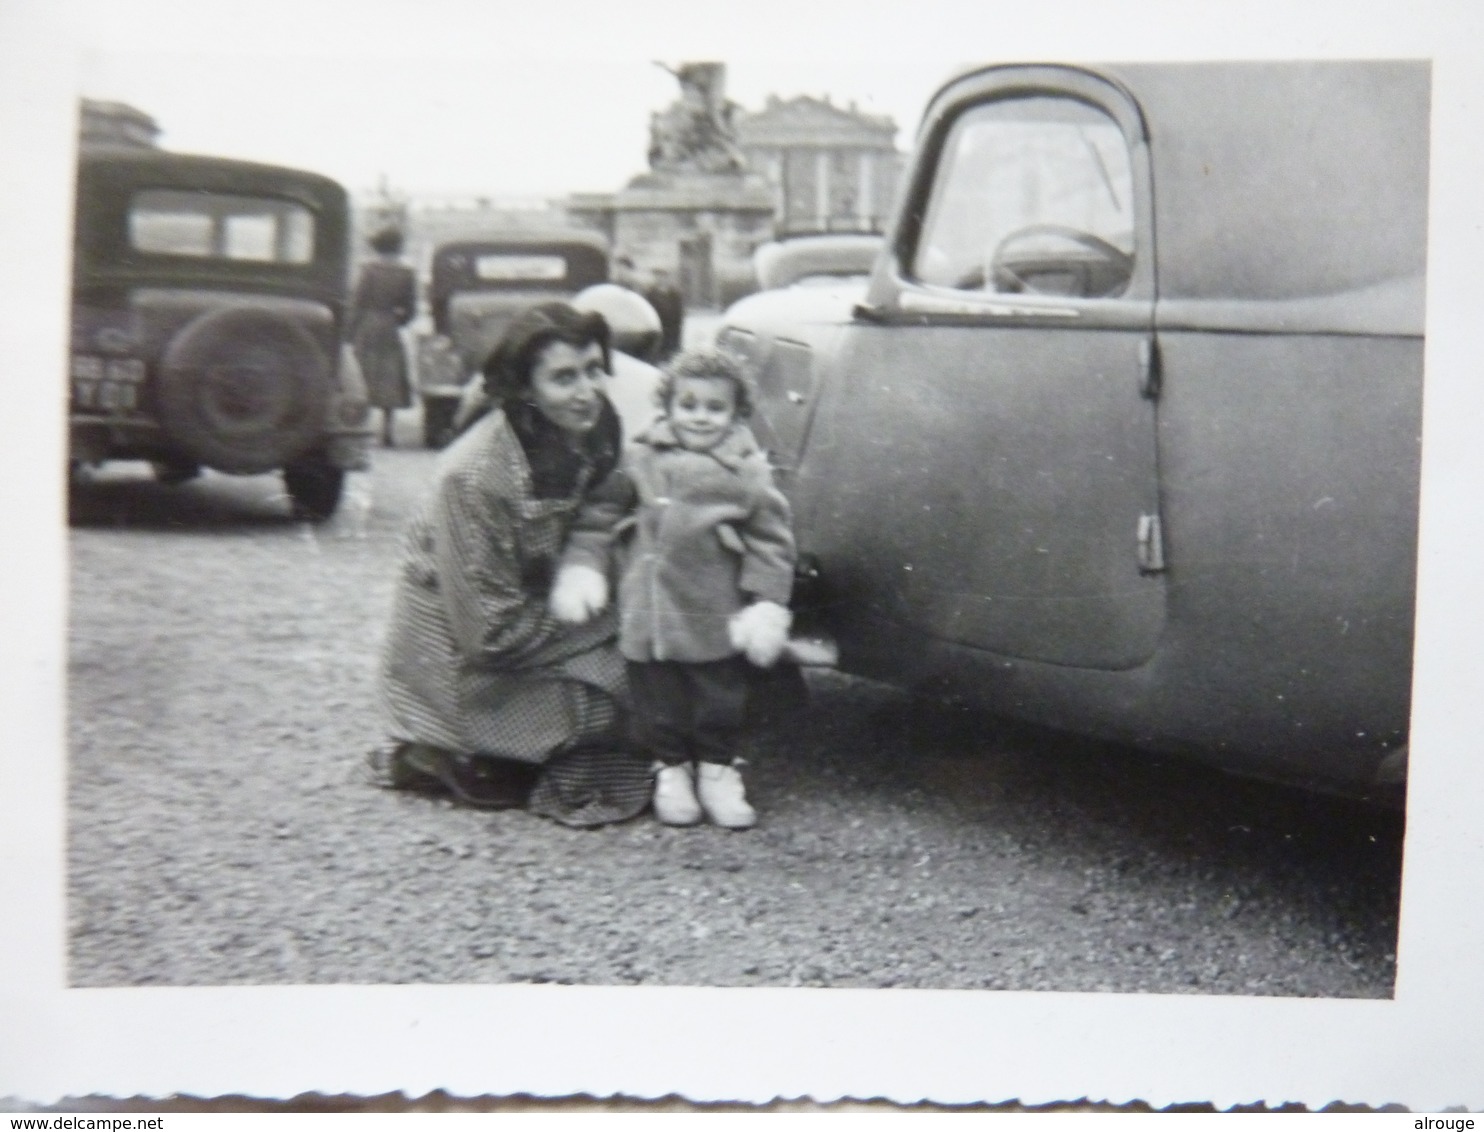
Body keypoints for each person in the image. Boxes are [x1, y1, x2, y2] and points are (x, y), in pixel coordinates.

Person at [367, 302, 651, 827]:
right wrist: (619, 620)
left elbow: (611, 501)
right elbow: (487, 632)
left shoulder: (591, 428)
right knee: (639, 692)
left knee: (669, 667)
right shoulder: (474, 477)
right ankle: (446, 746)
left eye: (593, 370)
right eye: (564, 377)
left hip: (543, 615)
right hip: (468, 658)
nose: (588, 389)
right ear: (524, 389)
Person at [553, 350, 795, 829]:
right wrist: (584, 568)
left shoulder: (745, 472)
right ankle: (671, 769)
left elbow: (772, 542)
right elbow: (599, 517)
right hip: (649, 610)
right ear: (667, 406)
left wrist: (766, 603)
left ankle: (718, 770)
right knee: (655, 701)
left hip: (711, 609)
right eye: (688, 405)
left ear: (735, 414)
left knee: (718, 698)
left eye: (714, 407)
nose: (700, 417)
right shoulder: (640, 456)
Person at [349, 227, 416, 447]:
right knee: (391, 376)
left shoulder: (368, 270)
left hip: (367, 325)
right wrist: (398, 321)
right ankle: (387, 430)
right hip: (389, 326)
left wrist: (351, 330)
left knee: (363, 374)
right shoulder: (406, 272)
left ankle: (361, 427)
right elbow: (410, 309)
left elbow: (358, 302)